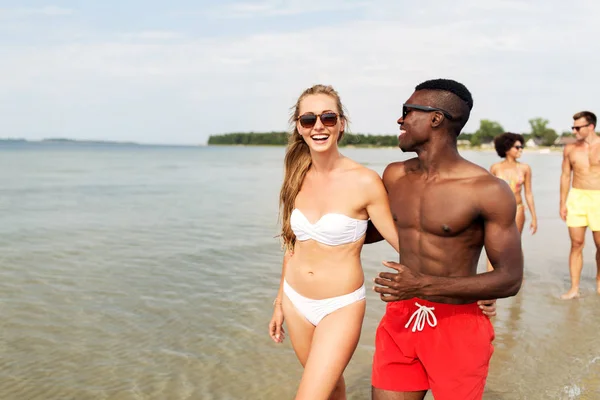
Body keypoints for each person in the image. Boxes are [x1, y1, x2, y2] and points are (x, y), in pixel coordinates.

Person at [366, 79, 523, 400]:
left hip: (458, 324)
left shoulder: (486, 189)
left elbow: (509, 279)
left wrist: (422, 285)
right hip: (400, 316)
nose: (400, 120)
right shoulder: (395, 174)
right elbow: (370, 231)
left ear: (435, 118)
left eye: (407, 111)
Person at [267, 84, 402, 400]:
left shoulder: (365, 181)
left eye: (328, 117)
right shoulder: (296, 175)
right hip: (295, 300)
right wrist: (278, 302)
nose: (318, 126)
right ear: (299, 128)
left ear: (342, 123)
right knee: (332, 389)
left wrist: (449, 285)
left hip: (339, 306)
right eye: (308, 119)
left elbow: (403, 244)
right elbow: (292, 243)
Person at [559, 111, 600, 300]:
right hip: (577, 198)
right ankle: (574, 288)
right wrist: (562, 202)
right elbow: (566, 175)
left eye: (577, 127)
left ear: (590, 126)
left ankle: (599, 281)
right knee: (576, 244)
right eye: (573, 127)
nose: (574, 131)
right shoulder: (570, 149)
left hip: (598, 198)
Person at [486, 132, 538, 272]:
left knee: (515, 243)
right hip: (497, 210)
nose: (521, 150)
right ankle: (491, 275)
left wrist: (534, 217)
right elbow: (490, 193)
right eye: (517, 147)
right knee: (493, 242)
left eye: (521, 147)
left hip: (518, 208)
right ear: (507, 148)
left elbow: (528, 193)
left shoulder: (525, 168)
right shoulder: (495, 168)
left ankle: (516, 275)